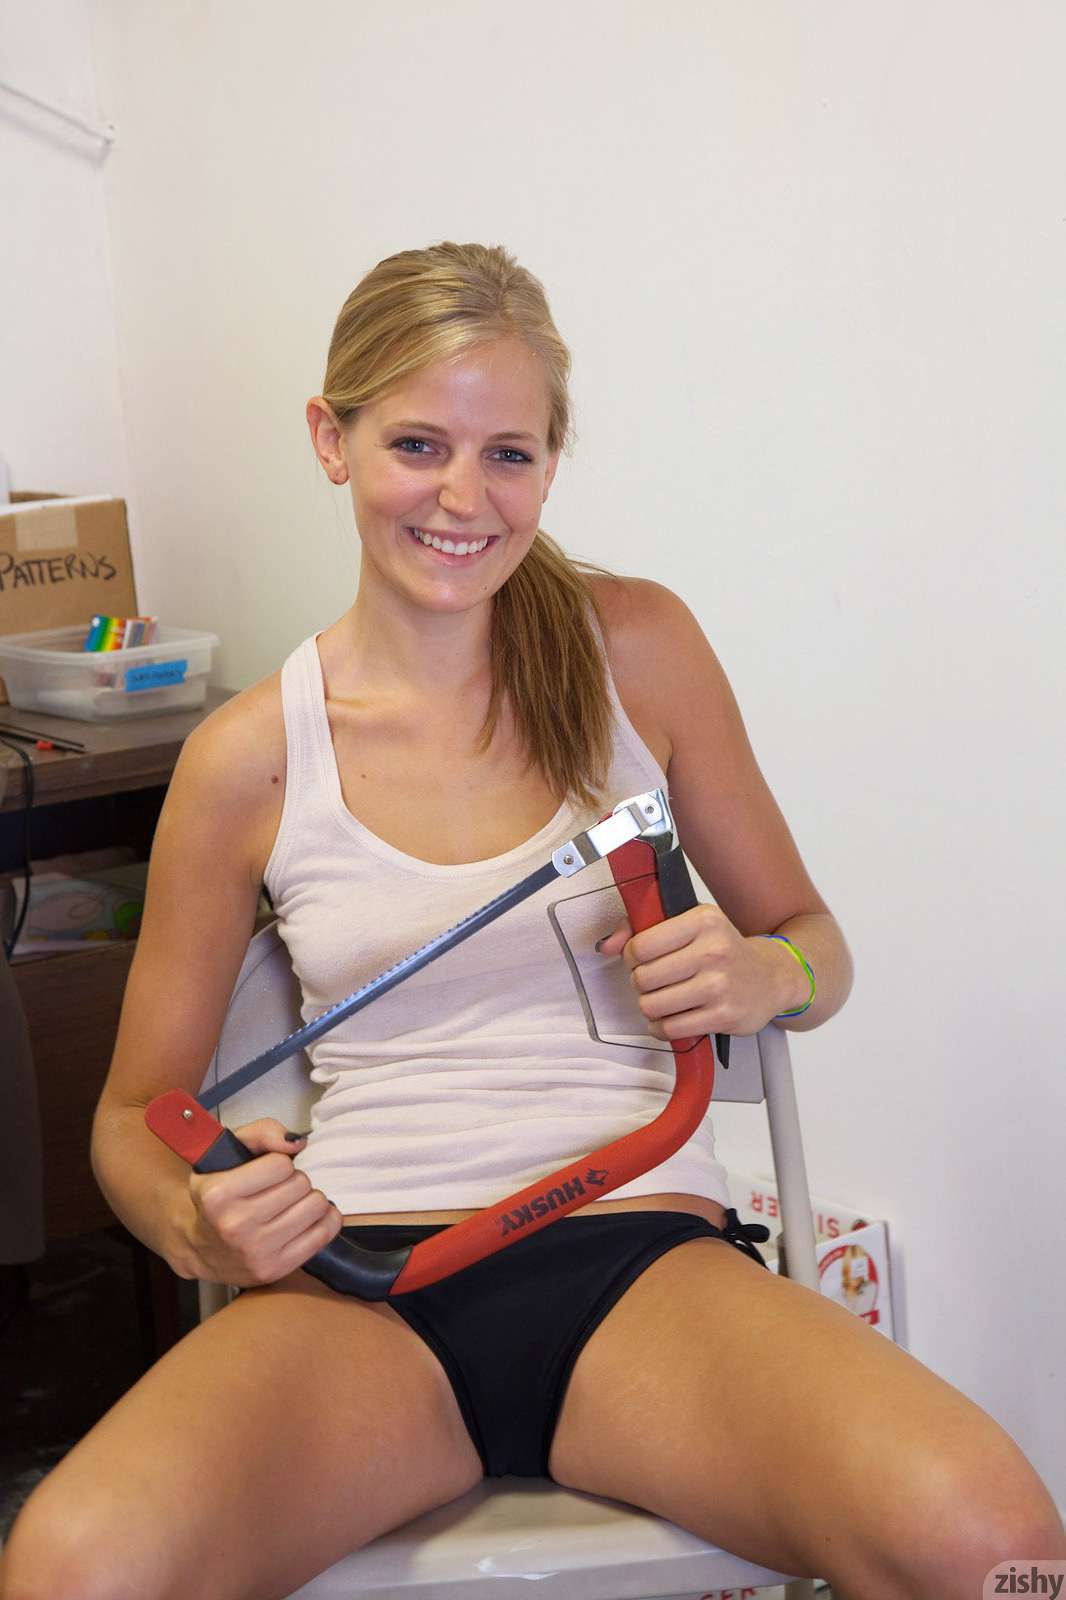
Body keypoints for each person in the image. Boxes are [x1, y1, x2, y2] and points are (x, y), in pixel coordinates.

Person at [2, 242, 1061, 1600]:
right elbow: (128, 1117)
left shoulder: (640, 652)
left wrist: (765, 973)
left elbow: (815, 945)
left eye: (508, 453)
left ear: (551, 464)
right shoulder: (246, 758)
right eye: (417, 444)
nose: (464, 496)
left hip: (637, 1258)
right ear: (330, 440)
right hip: (361, 1286)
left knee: (1002, 1550)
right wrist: (194, 1221)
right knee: (68, 1570)